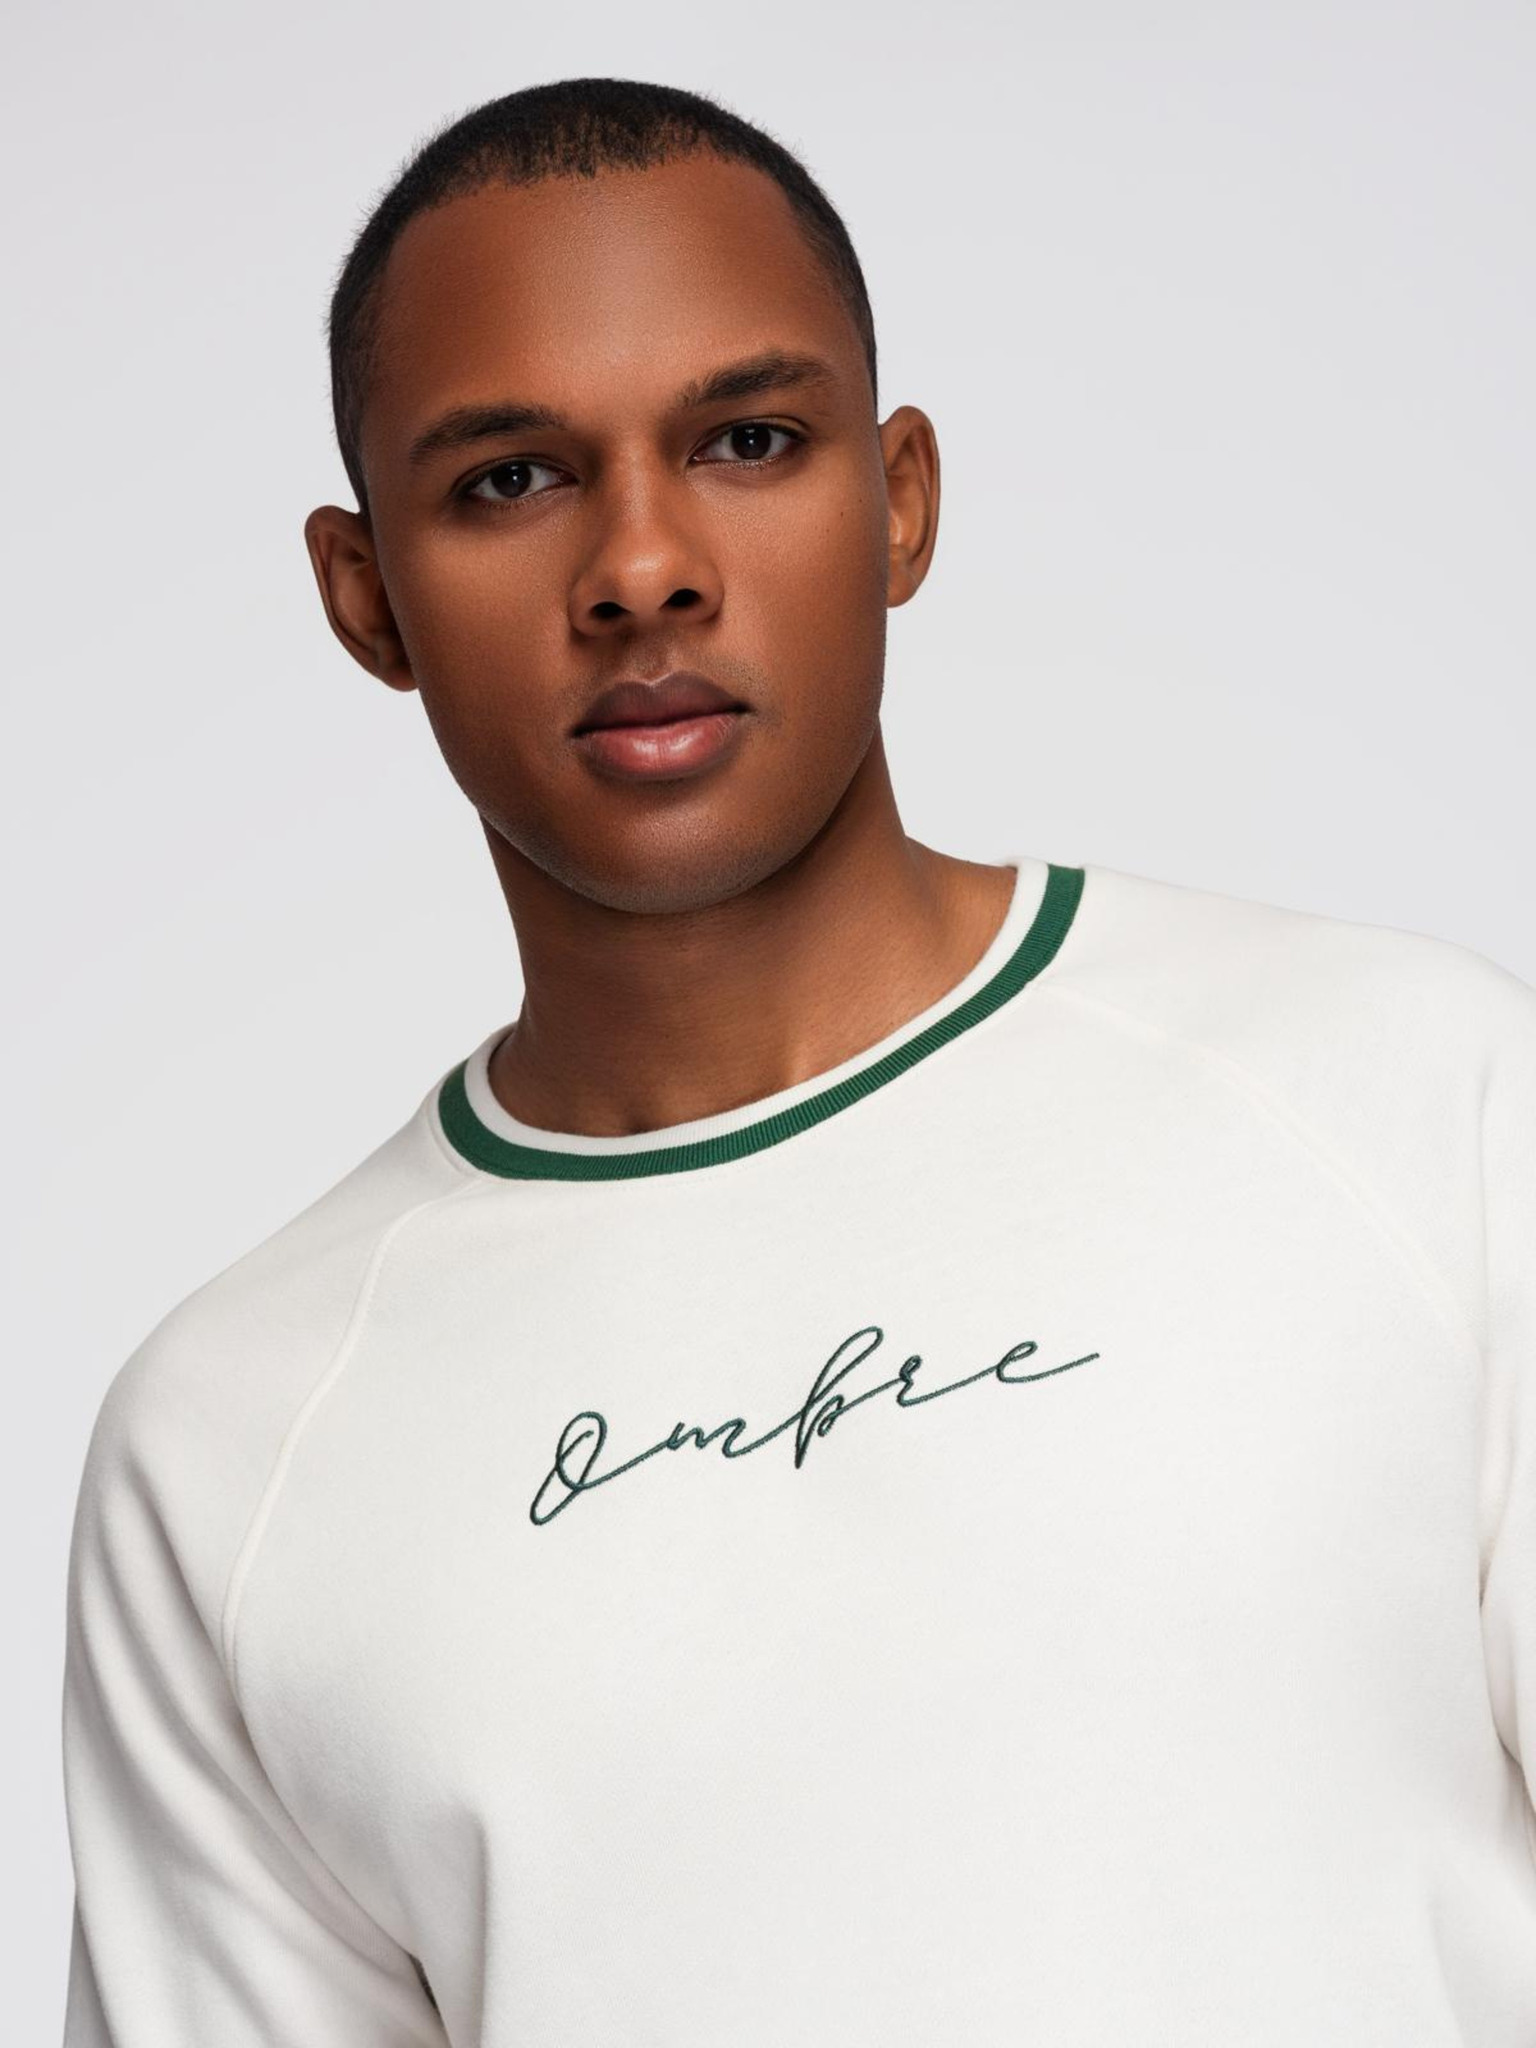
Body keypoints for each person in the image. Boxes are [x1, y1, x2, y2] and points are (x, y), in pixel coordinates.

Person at [59, 74, 1536, 2046]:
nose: (642, 567)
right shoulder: (230, 1445)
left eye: (747, 441)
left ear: (900, 496)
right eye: (510, 478)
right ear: (364, 594)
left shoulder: (1416, 1101)